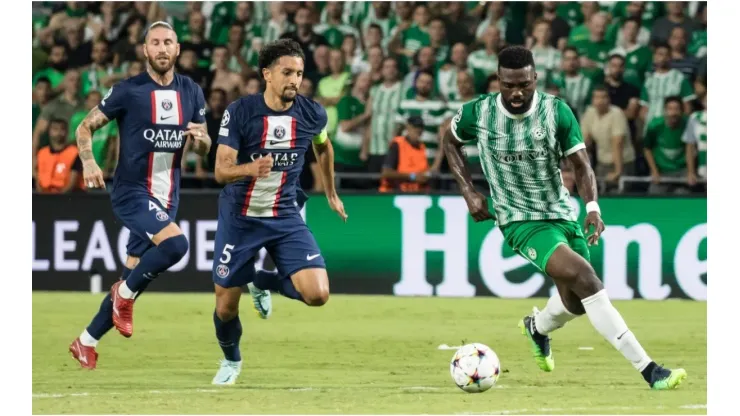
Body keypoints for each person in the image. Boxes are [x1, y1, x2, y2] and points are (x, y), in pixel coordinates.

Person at [443, 45, 687, 390]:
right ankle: (650, 370)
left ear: (535, 79)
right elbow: (449, 141)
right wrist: (468, 190)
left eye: (524, 85)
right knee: (586, 279)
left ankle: (537, 327)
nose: (516, 93)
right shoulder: (478, 113)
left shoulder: (556, 112)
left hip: (561, 212)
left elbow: (581, 164)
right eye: (509, 85)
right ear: (498, 80)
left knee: (575, 301)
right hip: (520, 220)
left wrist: (592, 207)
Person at [68, 21, 211, 370]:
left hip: (167, 197)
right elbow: (85, 125)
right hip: (132, 192)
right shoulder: (128, 91)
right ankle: (123, 296)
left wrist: (203, 142)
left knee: (132, 278)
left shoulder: (191, 91)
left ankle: (85, 341)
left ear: (178, 49)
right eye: (155, 43)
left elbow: (204, 145)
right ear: (145, 50)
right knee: (176, 246)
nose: (162, 49)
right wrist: (88, 161)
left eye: (168, 43)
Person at [210, 39, 347, 385]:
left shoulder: (312, 113)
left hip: (284, 214)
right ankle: (231, 360)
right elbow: (221, 171)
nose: (295, 80)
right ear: (267, 74)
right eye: (287, 72)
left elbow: (324, 147)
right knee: (226, 307)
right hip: (240, 217)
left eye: (299, 73)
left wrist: (331, 193)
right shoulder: (240, 111)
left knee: (318, 295)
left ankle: (258, 279)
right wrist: (248, 170)